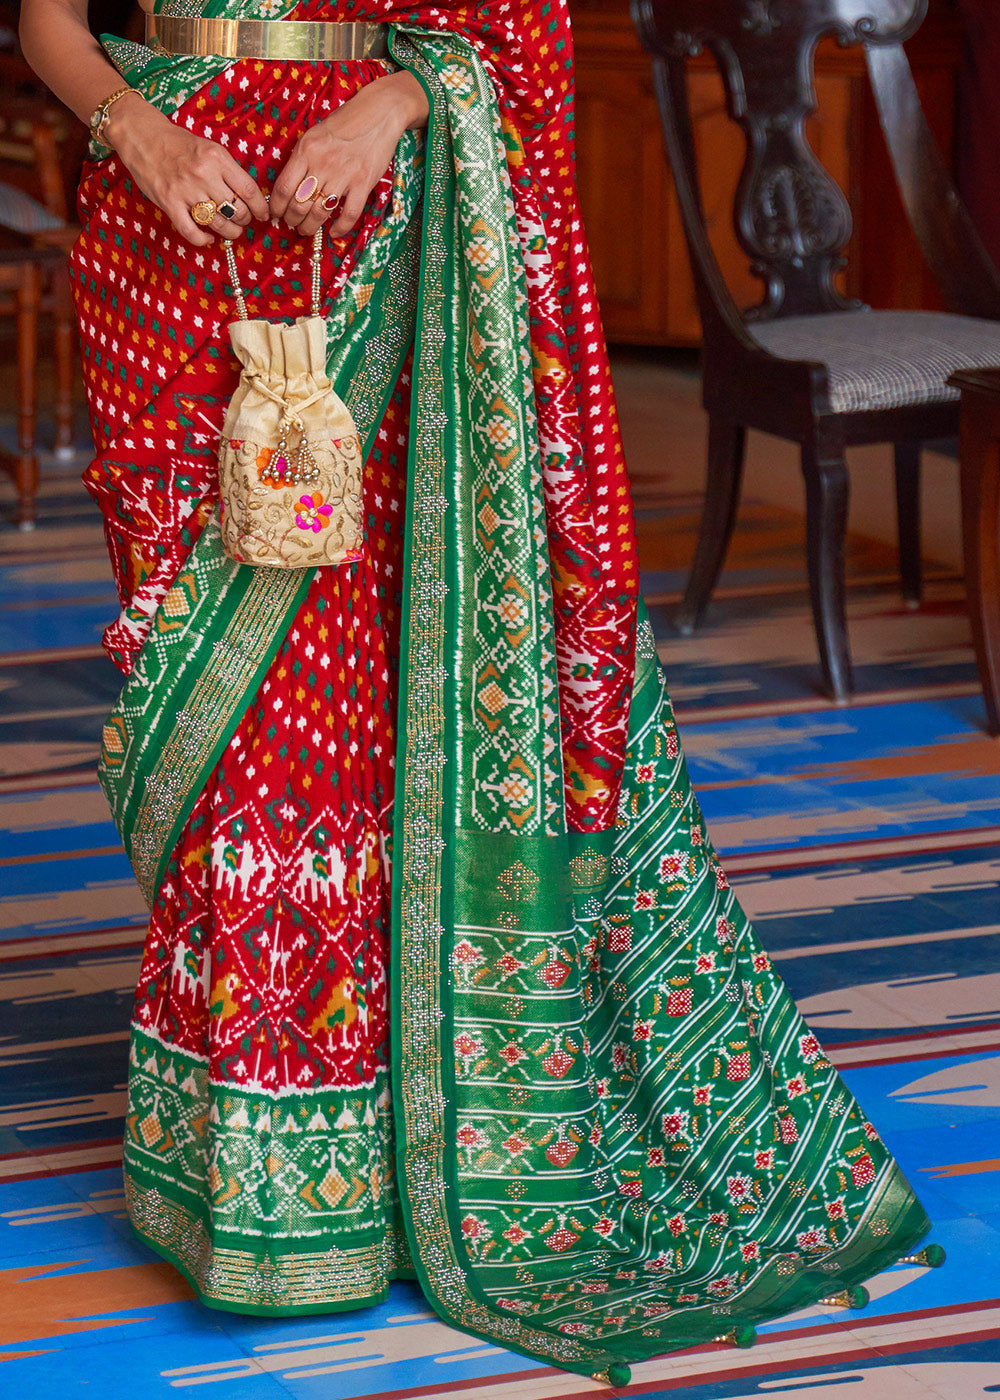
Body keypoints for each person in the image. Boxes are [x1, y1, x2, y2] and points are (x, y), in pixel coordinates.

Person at [19, 0, 939, 1384]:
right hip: (169, 239)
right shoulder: (140, 150)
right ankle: (270, 1163)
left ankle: (376, 1167)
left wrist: (394, 104)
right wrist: (135, 132)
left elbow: (523, 27)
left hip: (383, 221)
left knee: (360, 713)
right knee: (213, 697)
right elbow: (49, 23)